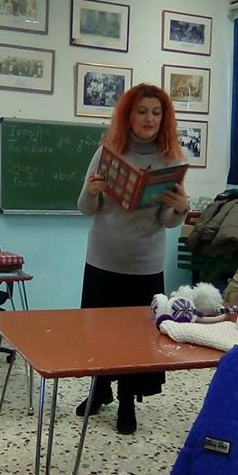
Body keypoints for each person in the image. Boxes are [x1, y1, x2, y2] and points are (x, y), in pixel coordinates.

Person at [76, 83, 189, 435]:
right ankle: (99, 389)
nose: (149, 119)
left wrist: (180, 209)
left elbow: (167, 221)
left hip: (145, 264)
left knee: (135, 338)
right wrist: (91, 190)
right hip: (103, 259)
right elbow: (85, 208)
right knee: (97, 333)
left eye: (156, 112)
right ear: (128, 115)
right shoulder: (107, 152)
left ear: (164, 118)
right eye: (142, 111)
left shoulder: (171, 159)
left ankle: (127, 400)